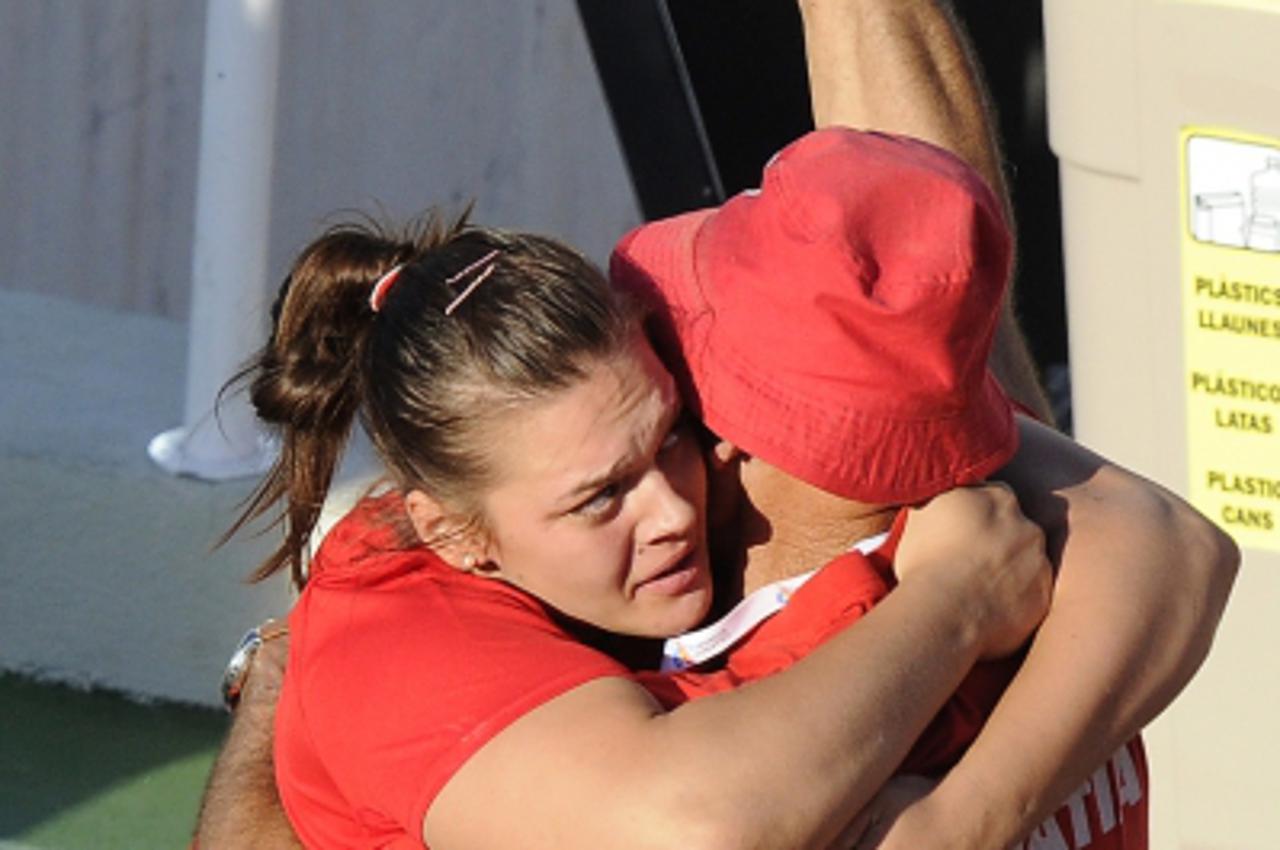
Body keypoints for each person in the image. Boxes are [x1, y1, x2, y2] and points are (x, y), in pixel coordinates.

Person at [194, 1, 1238, 847]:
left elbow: (1177, 546)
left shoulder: (820, 672)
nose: (667, 504)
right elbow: (1167, 539)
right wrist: (957, 607)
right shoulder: (1001, 557)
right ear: (451, 526)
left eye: (669, 438)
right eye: (601, 494)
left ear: (727, 426)